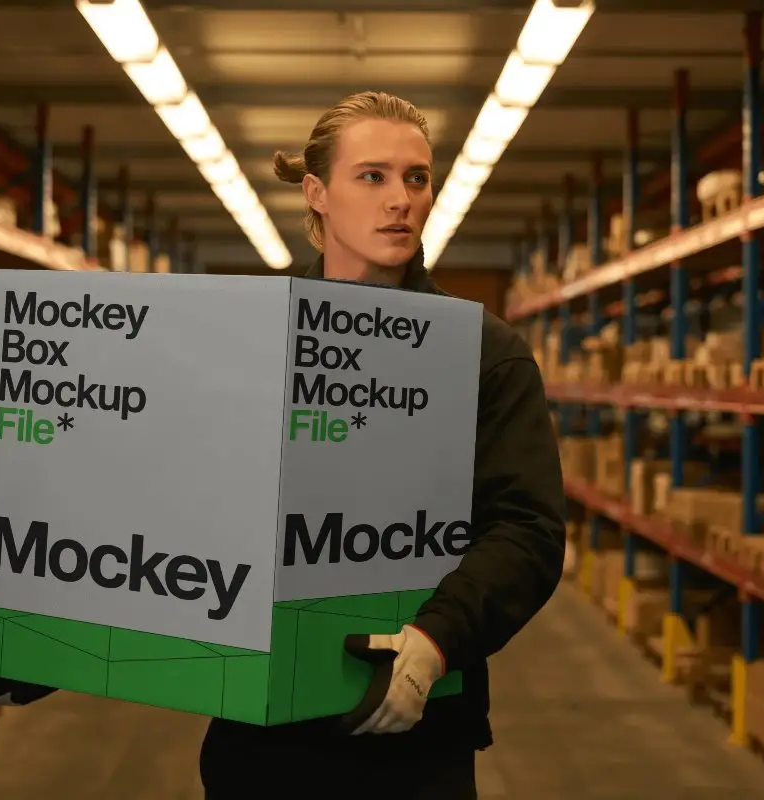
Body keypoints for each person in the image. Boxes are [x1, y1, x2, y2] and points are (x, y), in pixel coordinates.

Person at [198, 91, 566, 798]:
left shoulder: (483, 354)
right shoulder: (243, 338)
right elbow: (164, 500)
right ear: (317, 194)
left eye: (416, 177)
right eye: (372, 176)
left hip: (412, 733)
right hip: (256, 734)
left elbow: (527, 530)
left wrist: (434, 643)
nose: (400, 198)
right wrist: (35, 649)